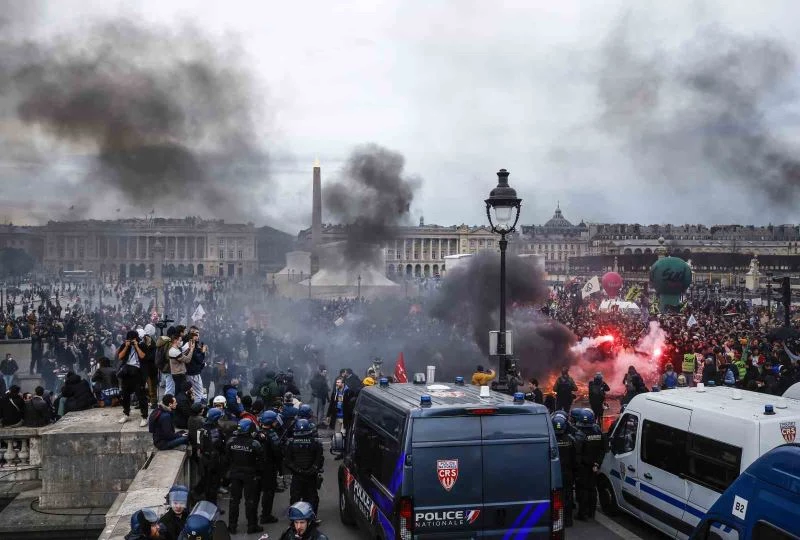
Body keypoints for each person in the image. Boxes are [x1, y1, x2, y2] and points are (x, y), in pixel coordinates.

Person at [226, 418, 264, 535]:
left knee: (234, 501)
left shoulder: (231, 441)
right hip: (250, 475)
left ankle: (232, 526)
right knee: (250, 501)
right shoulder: (254, 444)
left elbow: (228, 457)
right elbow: (261, 460)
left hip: (235, 473)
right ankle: (252, 526)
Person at [284, 418, 324, 515]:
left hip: (297, 475)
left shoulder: (291, 443)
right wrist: (313, 469)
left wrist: (298, 470)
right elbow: (319, 459)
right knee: (312, 497)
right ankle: (312, 517)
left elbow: (288, 461)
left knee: (295, 497)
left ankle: (295, 517)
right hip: (311, 475)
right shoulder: (316, 442)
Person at [573, 408, 605, 521]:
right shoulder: (598, 431)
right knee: (592, 489)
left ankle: (583, 514)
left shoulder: (580, 434)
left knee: (583, 490)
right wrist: (597, 463)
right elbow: (603, 448)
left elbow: (577, 453)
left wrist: (577, 467)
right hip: (594, 466)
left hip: (583, 466)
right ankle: (591, 512)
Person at [117, 330, 149, 427]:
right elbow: (120, 356)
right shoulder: (124, 345)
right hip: (126, 373)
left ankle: (144, 416)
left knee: (141, 396)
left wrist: (136, 346)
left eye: (133, 339)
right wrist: (126, 346)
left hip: (138, 374)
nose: (131, 341)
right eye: (129, 339)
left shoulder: (142, 345)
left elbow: (143, 356)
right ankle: (126, 413)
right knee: (125, 395)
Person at [256, 410, 281, 524]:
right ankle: (265, 515)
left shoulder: (257, 433)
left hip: (257, 467)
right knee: (268, 492)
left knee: (255, 493)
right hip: (269, 467)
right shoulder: (272, 434)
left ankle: (253, 517)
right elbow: (277, 451)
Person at [552, 411, 576, 527]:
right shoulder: (571, 439)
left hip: (554, 473)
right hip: (568, 473)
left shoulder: (551, 441)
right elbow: (575, 458)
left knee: (555, 497)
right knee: (568, 496)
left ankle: (557, 520)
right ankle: (568, 520)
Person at [198, 408, 226, 505]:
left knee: (206, 482)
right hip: (213, 460)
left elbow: (198, 443)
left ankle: (206, 503)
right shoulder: (215, 430)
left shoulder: (201, 428)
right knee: (213, 484)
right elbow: (218, 445)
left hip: (203, 458)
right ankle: (212, 506)